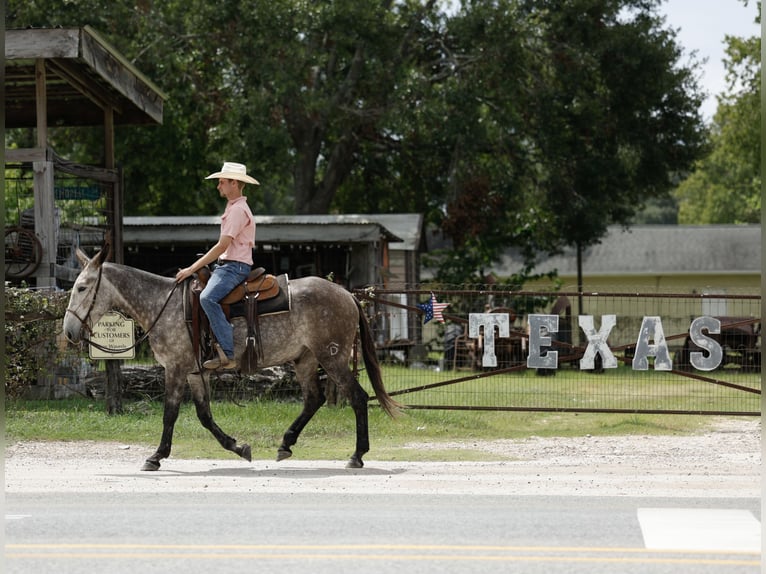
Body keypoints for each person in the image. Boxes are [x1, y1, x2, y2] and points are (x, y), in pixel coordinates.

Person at [176, 162, 258, 369]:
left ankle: (228, 353)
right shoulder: (233, 207)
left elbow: (222, 246)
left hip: (234, 267)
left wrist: (191, 269)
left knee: (207, 297)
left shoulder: (238, 210)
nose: (218, 186)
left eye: (222, 182)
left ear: (234, 183)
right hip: (229, 265)